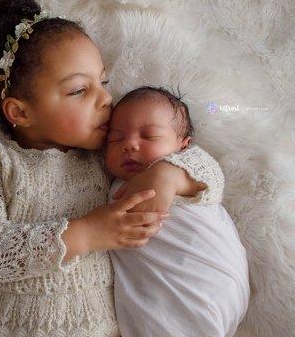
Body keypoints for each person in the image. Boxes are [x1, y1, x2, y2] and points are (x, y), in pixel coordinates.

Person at [0, 0, 214, 337]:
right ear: (21, 111)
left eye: (103, 82)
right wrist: (87, 232)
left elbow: (204, 168)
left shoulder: (106, 154)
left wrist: (170, 174)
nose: (106, 98)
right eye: (79, 90)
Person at [105, 86, 250, 337]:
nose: (129, 144)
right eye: (116, 138)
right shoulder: (111, 185)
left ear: (183, 146)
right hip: (163, 299)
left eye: (148, 136)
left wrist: (167, 175)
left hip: (208, 280)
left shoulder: (187, 166)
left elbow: (213, 177)